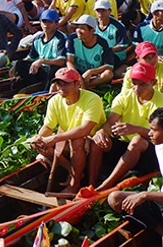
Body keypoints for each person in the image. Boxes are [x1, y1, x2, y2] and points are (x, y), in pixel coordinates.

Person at [31, 67, 106, 194]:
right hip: (68, 139)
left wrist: (54, 138)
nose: (61, 88)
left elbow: (84, 130)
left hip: (93, 140)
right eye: (58, 84)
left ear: (78, 84)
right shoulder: (54, 100)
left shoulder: (93, 99)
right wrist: (39, 138)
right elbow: (48, 127)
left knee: (76, 140)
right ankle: (73, 171)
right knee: (37, 144)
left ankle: (75, 184)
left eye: (65, 84)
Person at [91, 62, 163, 191]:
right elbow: (110, 123)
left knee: (137, 141)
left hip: (151, 151)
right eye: (134, 83)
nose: (137, 88)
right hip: (127, 146)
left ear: (154, 82)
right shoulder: (124, 97)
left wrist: (136, 129)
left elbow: (160, 136)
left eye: (142, 84)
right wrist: (102, 133)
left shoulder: (160, 102)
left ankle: (105, 186)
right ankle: (90, 184)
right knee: (98, 141)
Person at [66, 14, 114, 88]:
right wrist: (78, 76)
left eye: (82, 28)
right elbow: (69, 61)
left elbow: (109, 66)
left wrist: (91, 71)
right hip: (76, 72)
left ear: (92, 30)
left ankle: (83, 85)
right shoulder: (72, 39)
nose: (78, 31)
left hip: (93, 76)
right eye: (77, 27)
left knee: (108, 74)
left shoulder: (103, 43)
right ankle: (79, 84)